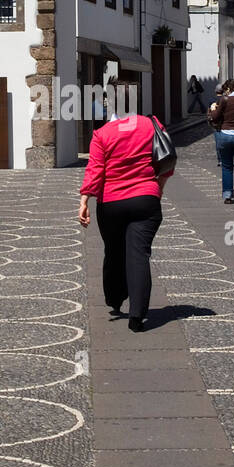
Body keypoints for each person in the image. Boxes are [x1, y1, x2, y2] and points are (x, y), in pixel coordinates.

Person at [78, 82, 172, 332]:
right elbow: (168, 161)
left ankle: (115, 297)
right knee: (139, 254)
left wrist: (85, 199)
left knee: (114, 250)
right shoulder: (151, 125)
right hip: (146, 199)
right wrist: (158, 188)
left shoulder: (103, 134)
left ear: (111, 102)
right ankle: (137, 315)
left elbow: (95, 170)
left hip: (111, 202)